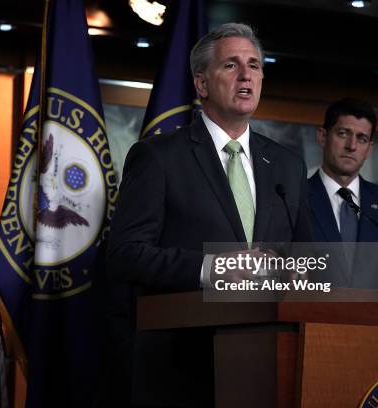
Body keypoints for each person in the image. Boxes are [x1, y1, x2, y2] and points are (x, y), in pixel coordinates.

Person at [106, 23, 312, 407]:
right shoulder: (159, 157)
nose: (247, 74)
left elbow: (308, 258)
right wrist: (210, 270)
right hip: (182, 368)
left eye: (254, 64)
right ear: (201, 84)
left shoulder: (287, 166)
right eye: (231, 65)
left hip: (270, 365)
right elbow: (125, 255)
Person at [308, 97, 378, 289]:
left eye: (362, 139)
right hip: (311, 317)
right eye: (343, 133)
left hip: (377, 319)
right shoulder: (293, 200)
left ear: (369, 148)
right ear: (322, 137)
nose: (352, 146)